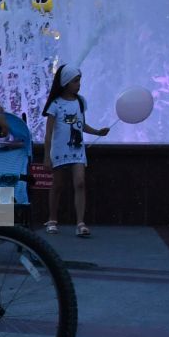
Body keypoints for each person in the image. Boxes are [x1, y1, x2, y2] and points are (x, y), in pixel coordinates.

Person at [41, 64, 109, 238]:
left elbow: (80, 125)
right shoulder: (55, 105)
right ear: (65, 82)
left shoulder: (80, 102)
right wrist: (46, 157)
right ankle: (52, 219)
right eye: (75, 81)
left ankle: (80, 223)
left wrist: (97, 132)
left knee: (80, 183)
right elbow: (48, 133)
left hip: (77, 149)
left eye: (79, 81)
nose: (79, 84)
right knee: (57, 185)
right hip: (59, 150)